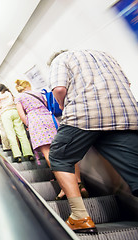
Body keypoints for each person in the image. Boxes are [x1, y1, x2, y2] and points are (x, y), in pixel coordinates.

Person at [48, 49, 138, 233]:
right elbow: (127, 83)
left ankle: (80, 217)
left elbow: (59, 89)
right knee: (134, 168)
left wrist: (63, 105)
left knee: (59, 157)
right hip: (125, 115)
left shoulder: (60, 59)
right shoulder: (107, 56)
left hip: (85, 114)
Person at [15, 79, 88, 200]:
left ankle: (65, 187)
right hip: (50, 119)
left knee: (49, 154)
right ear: (28, 85)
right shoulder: (39, 93)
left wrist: (29, 124)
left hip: (35, 121)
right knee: (65, 150)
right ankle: (79, 183)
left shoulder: (18, 98)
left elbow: (22, 115)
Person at [0, 84, 33, 162]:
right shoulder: (9, 93)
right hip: (15, 112)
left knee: (10, 134)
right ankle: (29, 154)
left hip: (5, 113)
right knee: (22, 133)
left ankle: (17, 155)